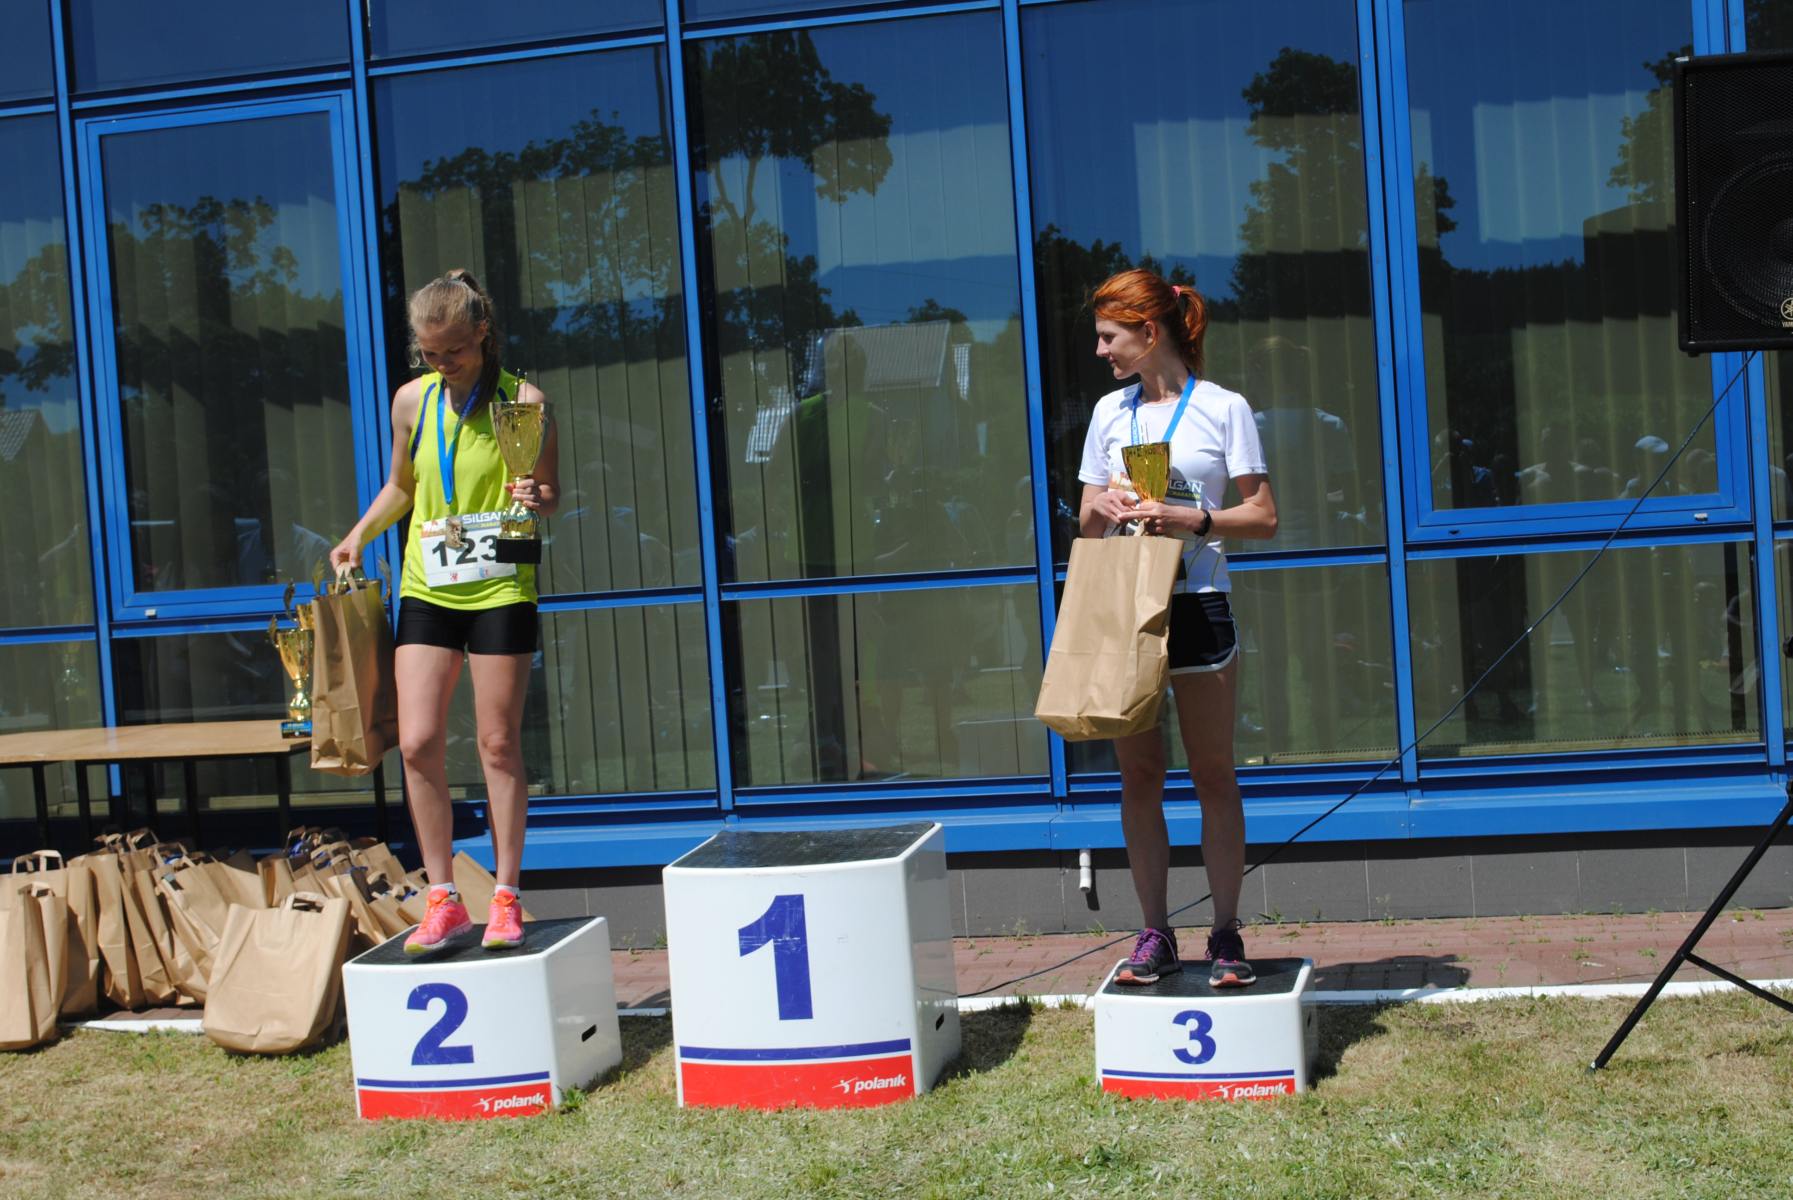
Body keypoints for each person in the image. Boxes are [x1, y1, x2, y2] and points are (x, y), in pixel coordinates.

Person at [329, 269, 558, 954]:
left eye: (453, 350)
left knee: (497, 743)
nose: (442, 363)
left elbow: (548, 494)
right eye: (429, 353)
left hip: (499, 583)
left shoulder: (523, 402)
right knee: (418, 740)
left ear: (482, 333)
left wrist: (538, 495)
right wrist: (358, 535)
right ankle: (442, 898)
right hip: (428, 582)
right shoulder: (412, 401)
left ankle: (507, 895)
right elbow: (401, 485)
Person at [1076, 268, 1277, 987]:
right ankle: (1155, 932)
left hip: (1198, 601)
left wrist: (1194, 518)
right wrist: (1106, 503)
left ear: (1148, 331)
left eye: (1109, 337)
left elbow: (1263, 515)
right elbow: (1086, 522)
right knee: (1139, 775)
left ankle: (1225, 932)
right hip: (1128, 600)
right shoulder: (1110, 412)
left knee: (1212, 773)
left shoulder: (1222, 407)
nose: (1100, 351)